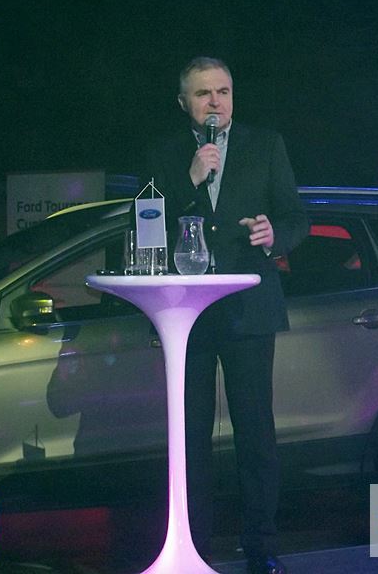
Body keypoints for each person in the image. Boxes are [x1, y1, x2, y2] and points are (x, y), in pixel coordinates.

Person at [143, 56, 308, 574]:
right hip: (186, 315)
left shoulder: (266, 144)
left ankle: (261, 546)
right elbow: (146, 224)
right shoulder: (165, 153)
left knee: (255, 432)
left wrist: (275, 235)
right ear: (183, 103)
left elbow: (295, 216)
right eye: (203, 94)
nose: (215, 102)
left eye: (223, 91)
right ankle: (193, 546)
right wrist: (189, 179)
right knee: (189, 436)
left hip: (248, 309)